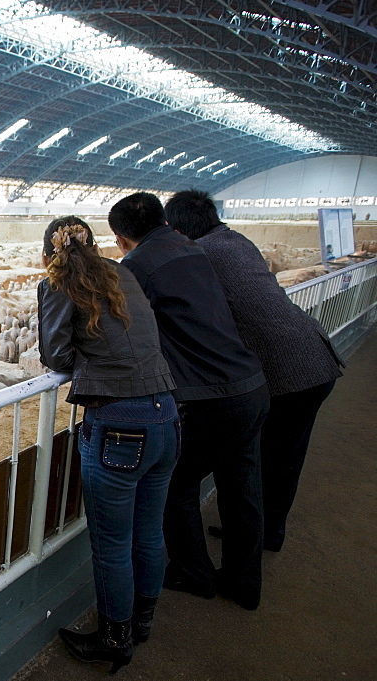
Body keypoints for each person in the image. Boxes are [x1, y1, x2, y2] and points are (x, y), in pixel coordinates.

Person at [108, 192, 270, 610]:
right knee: (243, 486)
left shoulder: (138, 266)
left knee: (174, 483)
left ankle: (194, 573)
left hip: (212, 397)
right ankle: (245, 583)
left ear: (122, 237)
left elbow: (123, 332)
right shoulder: (193, 249)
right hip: (250, 384)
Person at [165, 189, 343, 551]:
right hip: (314, 358)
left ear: (179, 229)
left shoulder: (198, 254)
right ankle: (267, 533)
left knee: (251, 463)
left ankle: (252, 541)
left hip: (286, 372)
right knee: (285, 458)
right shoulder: (235, 240)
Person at [38, 216, 178, 674]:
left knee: (113, 544)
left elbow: (55, 356)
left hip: (121, 427)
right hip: (166, 416)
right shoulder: (123, 272)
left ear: (50, 256)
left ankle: (116, 641)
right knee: (150, 529)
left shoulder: (59, 284)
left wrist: (89, 358)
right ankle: (143, 622)